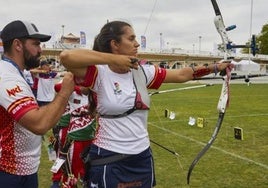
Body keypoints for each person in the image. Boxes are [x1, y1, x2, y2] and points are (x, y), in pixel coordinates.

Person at [60, 20, 233, 188]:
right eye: (131, 39)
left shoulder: (143, 71)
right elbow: (67, 57)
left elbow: (182, 74)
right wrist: (114, 60)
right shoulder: (99, 73)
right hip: (110, 156)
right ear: (115, 44)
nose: (136, 44)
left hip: (142, 156)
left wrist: (215, 67)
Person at [0, 20, 74, 188]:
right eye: (35, 44)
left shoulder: (15, 73)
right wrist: (65, 92)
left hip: (23, 170)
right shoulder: (7, 77)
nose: (40, 50)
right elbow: (39, 124)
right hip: (9, 172)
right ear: (18, 45)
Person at [50, 83, 97, 188]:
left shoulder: (95, 93)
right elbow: (57, 87)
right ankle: (56, 179)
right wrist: (77, 87)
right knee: (61, 155)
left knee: (86, 162)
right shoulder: (73, 89)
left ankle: (83, 179)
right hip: (67, 130)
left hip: (89, 136)